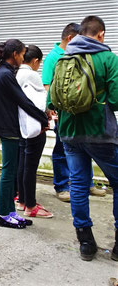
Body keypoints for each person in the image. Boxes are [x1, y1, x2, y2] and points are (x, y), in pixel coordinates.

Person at [48, 15, 118, 261]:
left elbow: (51, 101)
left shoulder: (62, 59)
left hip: (68, 132)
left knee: (77, 184)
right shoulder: (109, 59)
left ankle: (85, 242)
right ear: (100, 35)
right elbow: (117, 99)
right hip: (100, 133)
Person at [42, 23, 105, 201]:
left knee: (85, 149)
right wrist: (53, 111)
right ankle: (62, 186)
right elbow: (48, 86)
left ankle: (88, 184)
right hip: (63, 115)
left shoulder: (80, 54)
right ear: (71, 38)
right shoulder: (53, 57)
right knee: (61, 151)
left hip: (82, 115)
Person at [0, 39, 49, 229]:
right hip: (9, 129)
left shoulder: (5, 72)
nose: (24, 58)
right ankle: (3, 215)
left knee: (12, 171)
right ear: (15, 54)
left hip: (10, 127)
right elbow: (23, 101)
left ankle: (10, 212)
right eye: (23, 54)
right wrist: (43, 118)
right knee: (8, 172)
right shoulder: (5, 74)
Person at [16, 45, 53, 218]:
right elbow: (40, 103)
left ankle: (23, 200)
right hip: (34, 128)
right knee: (30, 167)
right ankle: (31, 206)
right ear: (36, 61)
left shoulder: (16, 73)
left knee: (23, 164)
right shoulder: (31, 74)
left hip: (22, 127)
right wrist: (45, 118)